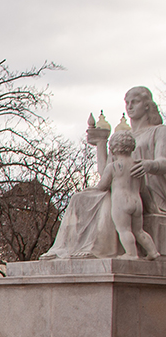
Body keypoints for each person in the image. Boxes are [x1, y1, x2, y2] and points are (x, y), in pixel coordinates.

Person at [43, 86, 166, 259]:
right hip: (130, 192)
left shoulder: (159, 131)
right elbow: (106, 172)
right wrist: (101, 143)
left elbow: (163, 162)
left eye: (135, 102)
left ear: (147, 105)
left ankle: (96, 249)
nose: (130, 106)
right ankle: (66, 248)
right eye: (127, 103)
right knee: (79, 198)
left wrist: (149, 165)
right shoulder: (124, 136)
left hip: (149, 192)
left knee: (107, 199)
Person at [97, 130, 160, 259]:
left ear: (113, 148)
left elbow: (103, 186)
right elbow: (142, 187)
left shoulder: (113, 166)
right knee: (138, 230)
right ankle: (153, 252)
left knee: (124, 230)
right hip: (137, 201)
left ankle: (131, 254)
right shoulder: (137, 165)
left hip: (121, 202)